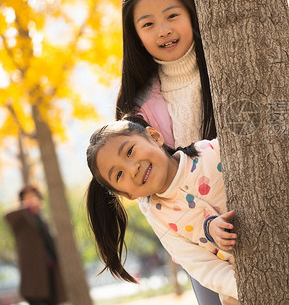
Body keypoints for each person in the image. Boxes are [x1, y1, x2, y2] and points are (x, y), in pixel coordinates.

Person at [115, 0, 220, 304]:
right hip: (196, 237)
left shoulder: (225, 68)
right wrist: (197, 231)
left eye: (172, 15)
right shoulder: (137, 107)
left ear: (191, 13)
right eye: (147, 24)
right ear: (135, 36)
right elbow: (147, 191)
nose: (163, 30)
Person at [85, 119, 238, 305]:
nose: (133, 169)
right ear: (127, 195)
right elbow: (200, 265)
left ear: (154, 137)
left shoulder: (211, 152)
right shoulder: (159, 217)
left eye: (130, 151)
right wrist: (245, 286)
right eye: (119, 174)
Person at [4, 185, 67, 305]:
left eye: (35, 197)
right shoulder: (21, 217)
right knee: (37, 299)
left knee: (53, 300)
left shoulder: (41, 217)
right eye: (28, 197)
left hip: (49, 269)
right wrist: (27, 206)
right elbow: (7, 216)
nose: (33, 200)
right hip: (33, 273)